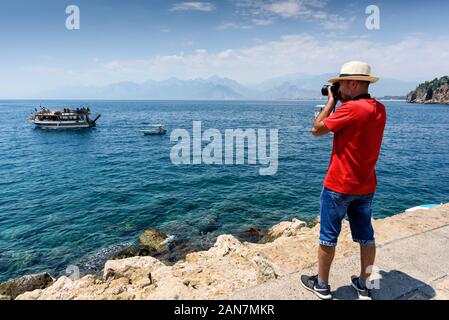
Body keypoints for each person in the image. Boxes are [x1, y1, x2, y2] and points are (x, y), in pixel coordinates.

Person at [300, 61, 387, 300]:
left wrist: (330, 102)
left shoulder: (351, 109)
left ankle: (322, 285)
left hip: (339, 186)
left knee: (328, 237)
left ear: (353, 83)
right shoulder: (379, 108)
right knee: (366, 237)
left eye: (338, 85)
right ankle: (363, 284)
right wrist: (341, 100)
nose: (336, 89)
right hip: (366, 185)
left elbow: (316, 130)